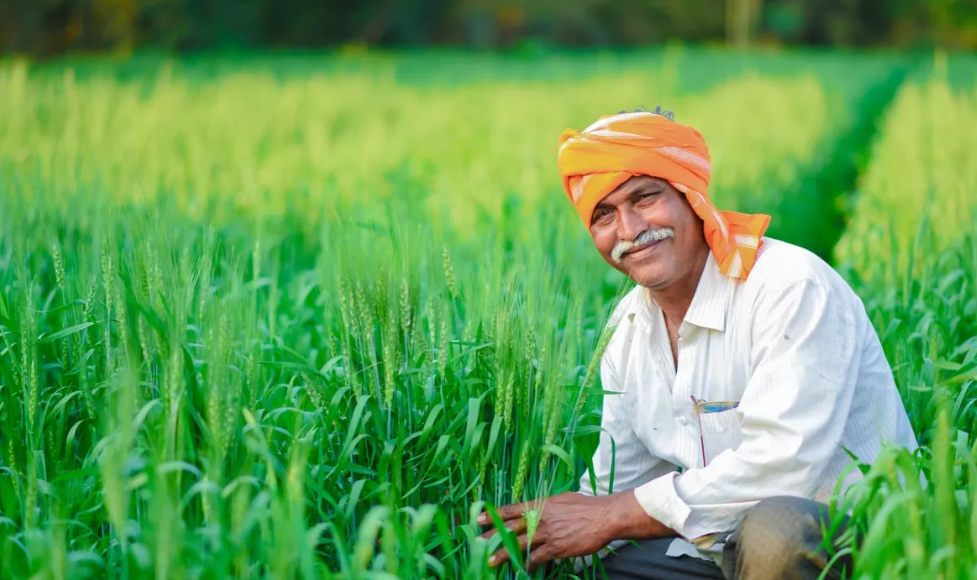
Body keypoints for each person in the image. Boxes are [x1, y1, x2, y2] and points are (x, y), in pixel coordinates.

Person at [476, 110, 918, 580]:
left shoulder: (789, 287)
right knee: (586, 566)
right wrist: (532, 538)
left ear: (691, 196)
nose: (627, 229)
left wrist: (609, 516)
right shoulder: (627, 329)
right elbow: (618, 484)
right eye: (603, 215)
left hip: (853, 543)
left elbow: (783, 470)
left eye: (644, 198)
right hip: (714, 551)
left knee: (773, 533)